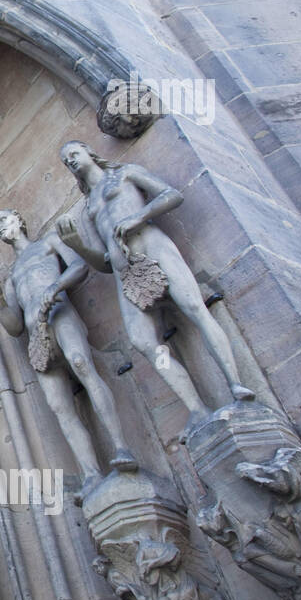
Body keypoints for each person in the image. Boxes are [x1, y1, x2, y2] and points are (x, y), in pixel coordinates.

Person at [56, 141, 254, 423]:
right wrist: (77, 245)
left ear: (89, 152)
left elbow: (171, 195)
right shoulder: (88, 208)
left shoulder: (125, 174)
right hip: (125, 270)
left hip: (152, 245)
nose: (71, 161)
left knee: (195, 309)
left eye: (74, 154)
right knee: (143, 342)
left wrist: (140, 216)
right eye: (66, 161)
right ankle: (196, 409)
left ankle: (235, 383)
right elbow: (103, 263)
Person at [0, 209, 135, 497]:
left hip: (60, 314)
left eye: (4, 220)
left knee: (82, 364)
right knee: (59, 405)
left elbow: (78, 267)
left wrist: (56, 287)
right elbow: (13, 326)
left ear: (20, 220)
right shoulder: (12, 276)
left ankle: (121, 445)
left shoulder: (48, 243)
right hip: (35, 332)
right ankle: (91, 473)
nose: (1, 227)